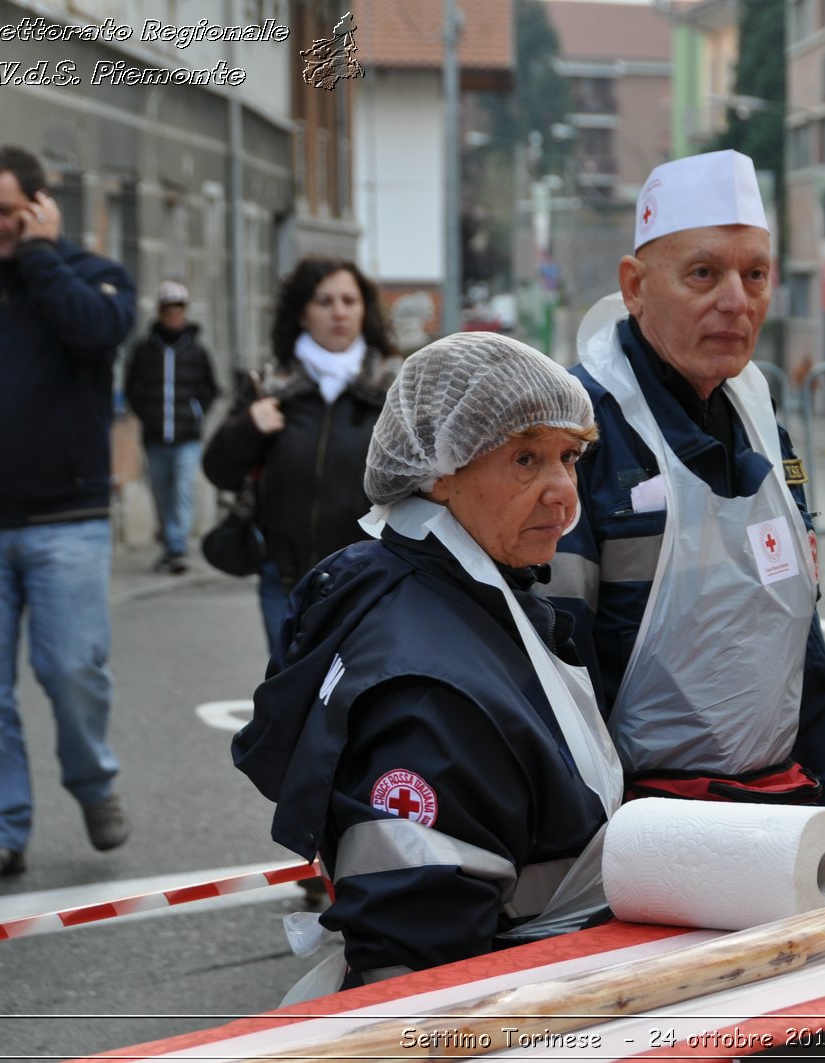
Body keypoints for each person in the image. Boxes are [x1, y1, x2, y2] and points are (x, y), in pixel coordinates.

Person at [233, 333, 621, 993]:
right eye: (526, 458)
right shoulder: (427, 694)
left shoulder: (464, 591)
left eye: (570, 457)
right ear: (439, 470)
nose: (564, 493)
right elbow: (418, 969)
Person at [546, 149, 825, 811]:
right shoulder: (579, 435)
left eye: (755, 275)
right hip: (640, 820)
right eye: (703, 274)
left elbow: (800, 641)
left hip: (779, 803)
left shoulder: (763, 424)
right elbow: (555, 667)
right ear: (634, 285)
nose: (735, 301)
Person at [0, 145, 136, 885]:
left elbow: (97, 334)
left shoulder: (95, 277)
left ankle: (93, 783)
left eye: (5, 210)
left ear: (39, 204)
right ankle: (0, 829)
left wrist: (43, 255)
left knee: (71, 669)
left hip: (68, 519)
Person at [203, 256, 401, 648]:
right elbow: (218, 472)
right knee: (290, 698)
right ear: (302, 314)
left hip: (372, 578)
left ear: (365, 310)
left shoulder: (395, 389)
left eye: (349, 300)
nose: (339, 312)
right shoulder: (269, 385)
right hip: (287, 579)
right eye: (324, 301)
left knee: (361, 698)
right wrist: (247, 428)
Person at [124, 280, 220, 574]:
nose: (173, 316)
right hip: (155, 436)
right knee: (161, 492)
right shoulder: (144, 350)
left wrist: (196, 412)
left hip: (186, 436)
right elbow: (131, 388)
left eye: (178, 310)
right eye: (168, 311)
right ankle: (169, 543)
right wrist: (147, 414)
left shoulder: (196, 350)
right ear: (161, 312)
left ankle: (177, 548)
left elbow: (211, 388)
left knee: (181, 489)